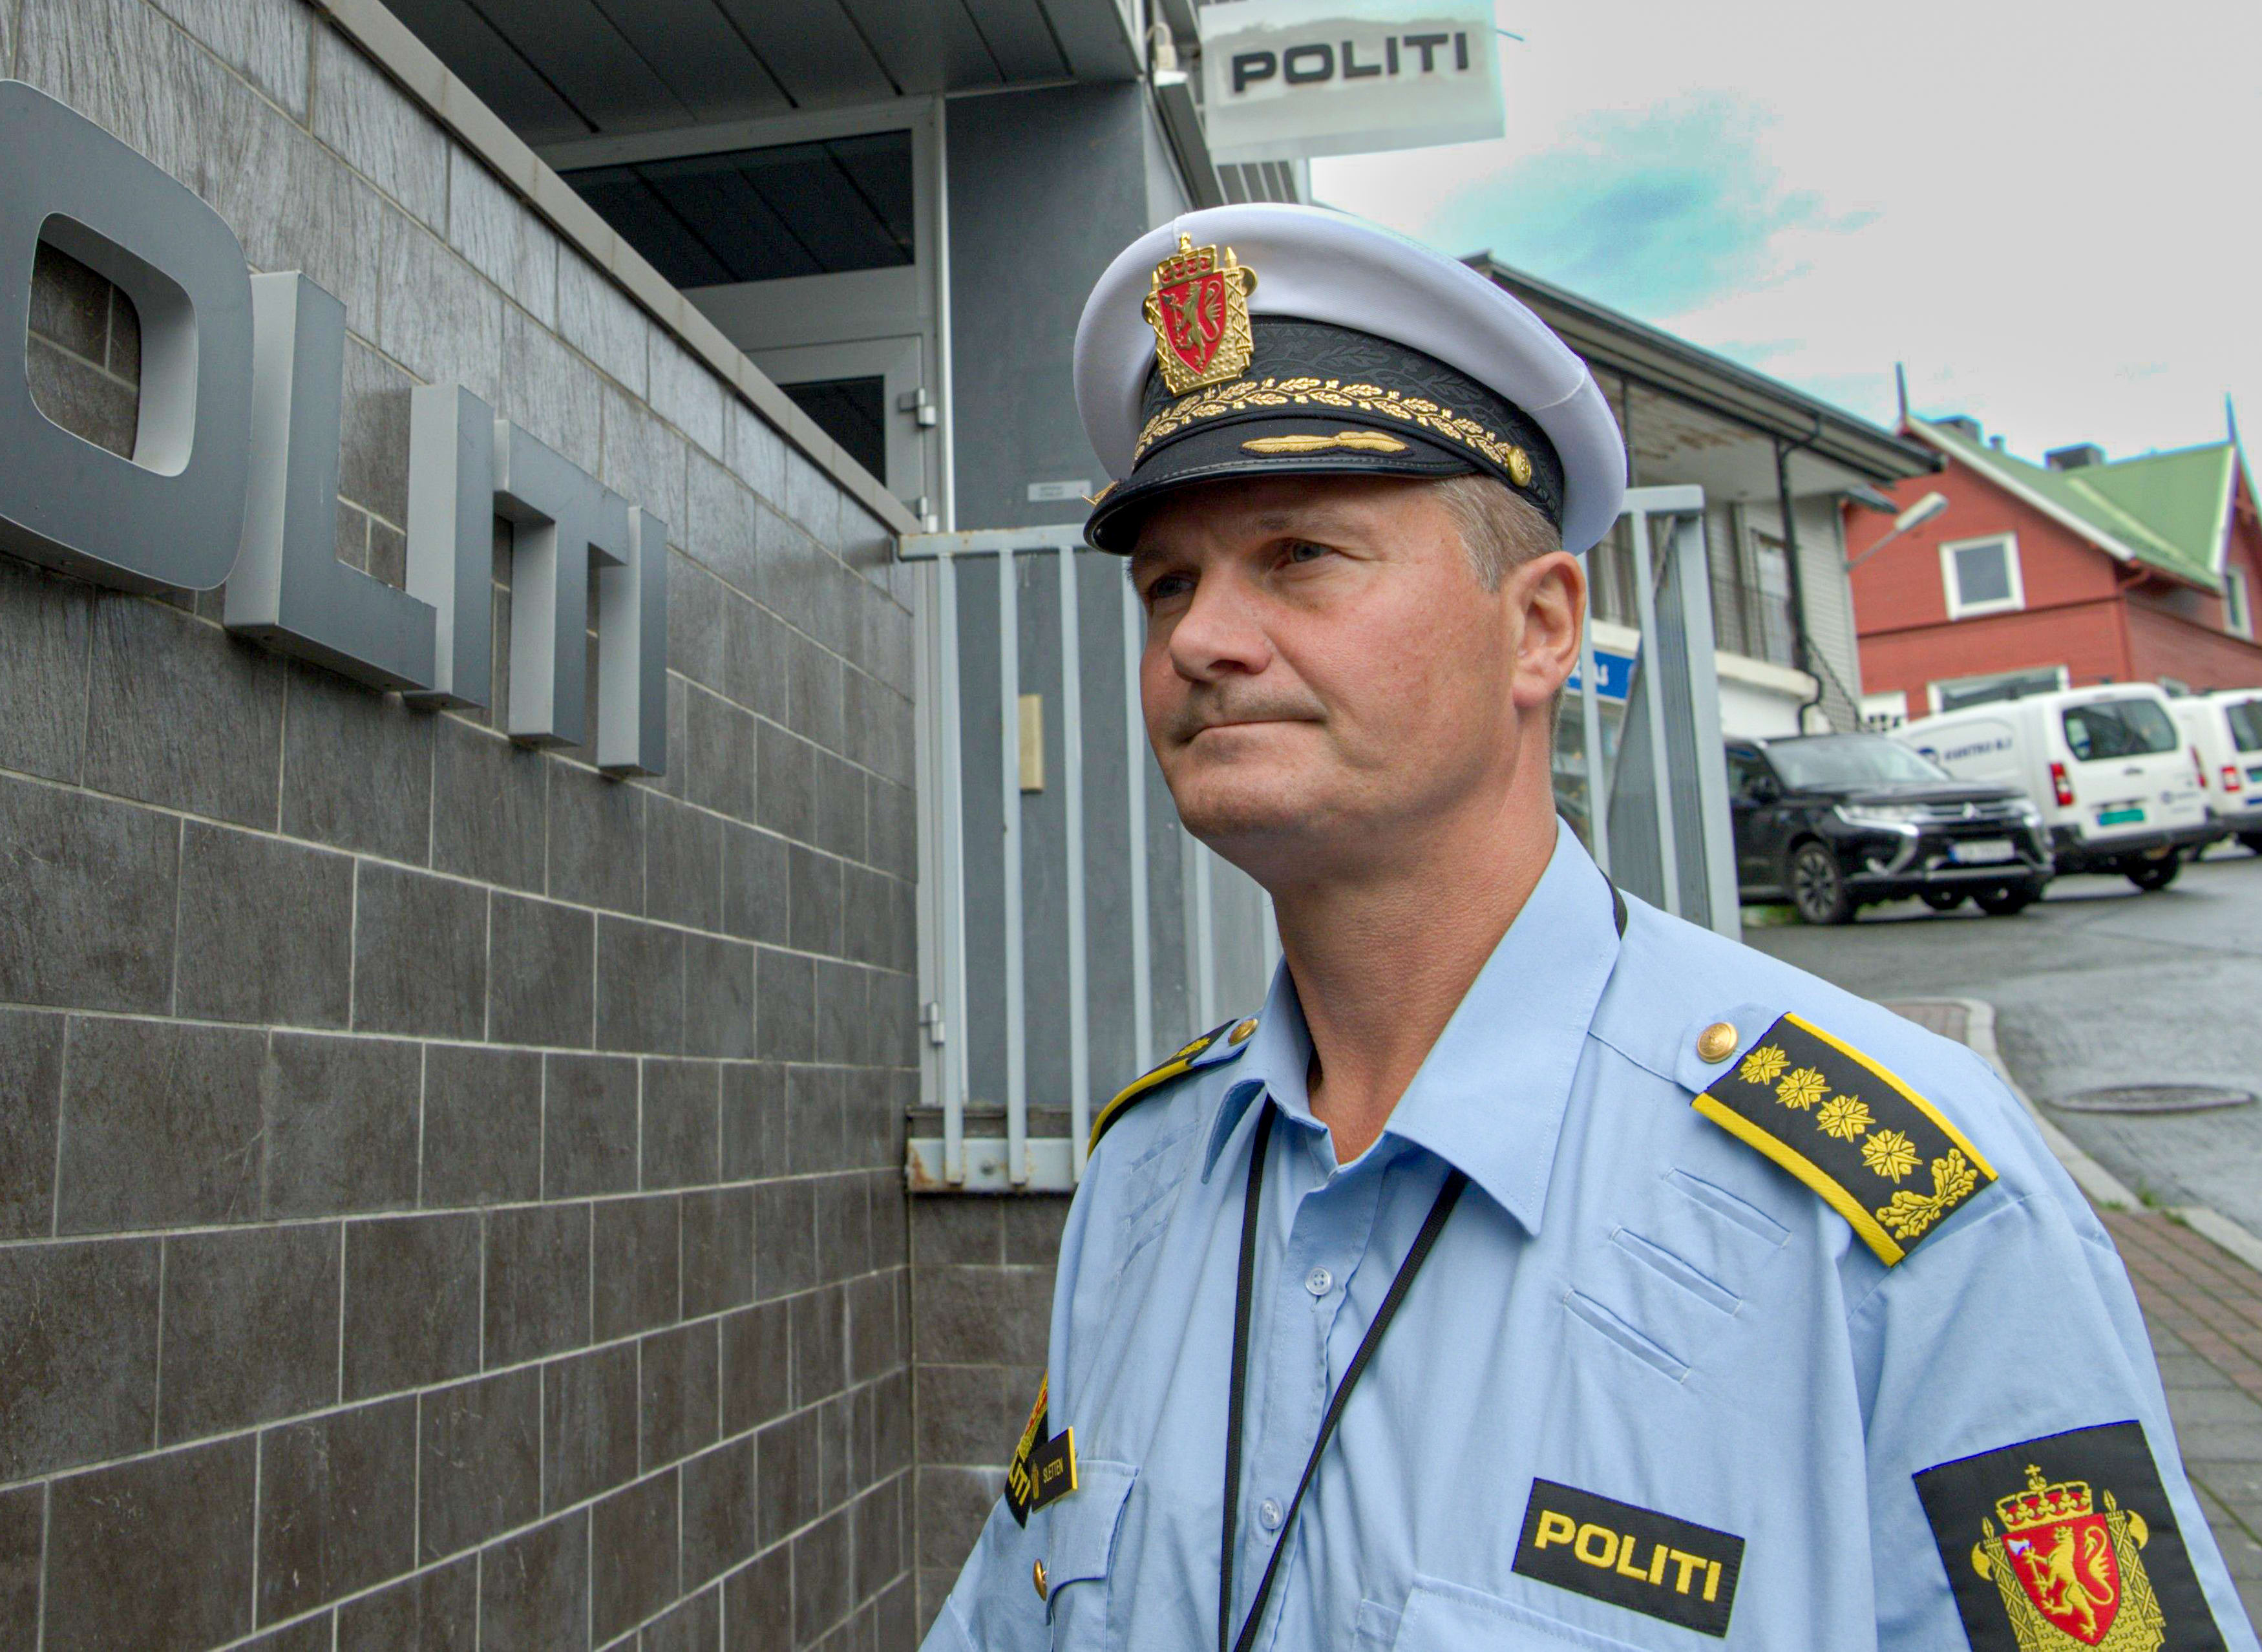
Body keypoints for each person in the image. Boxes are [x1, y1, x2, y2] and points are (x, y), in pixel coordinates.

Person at [921, 202, 2256, 1651]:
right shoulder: (1148, 1175)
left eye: (1299, 554)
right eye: (1167, 584)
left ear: (1542, 627)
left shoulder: (1888, 1204)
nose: (1198, 639)